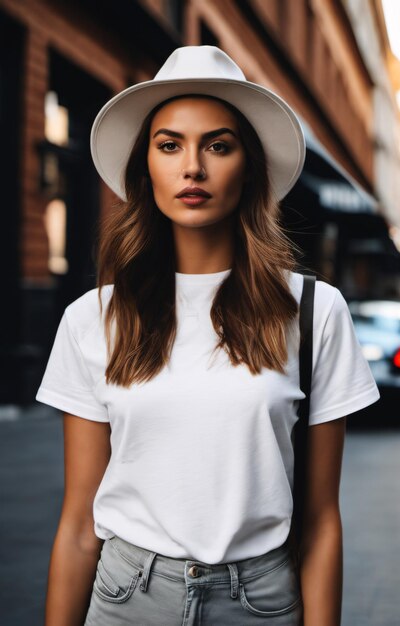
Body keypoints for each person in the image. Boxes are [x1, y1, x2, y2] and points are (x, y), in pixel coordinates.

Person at [36, 46, 380, 626]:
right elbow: (76, 526)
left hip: (262, 602)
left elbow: (321, 522)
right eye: (169, 145)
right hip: (127, 600)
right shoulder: (91, 318)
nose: (192, 167)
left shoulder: (315, 311)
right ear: (146, 166)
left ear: (248, 166)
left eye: (218, 145)